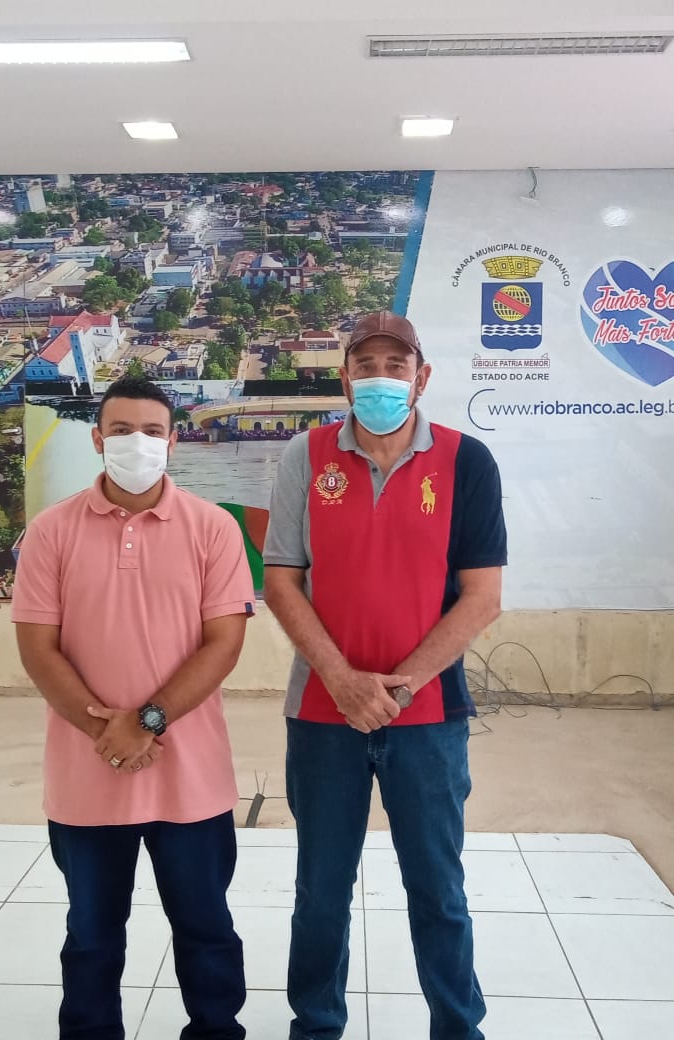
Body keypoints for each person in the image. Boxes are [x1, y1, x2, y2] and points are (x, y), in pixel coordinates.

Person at [263, 311, 507, 1040]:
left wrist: (398, 685)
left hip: (428, 717)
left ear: (420, 377)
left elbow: (482, 597)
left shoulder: (466, 461)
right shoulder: (305, 456)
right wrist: (341, 679)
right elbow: (281, 580)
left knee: (438, 890)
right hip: (322, 713)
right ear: (344, 380)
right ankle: (316, 1025)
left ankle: (457, 1028)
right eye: (364, 366)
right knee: (321, 891)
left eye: (394, 366)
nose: (379, 378)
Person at [12, 376, 255, 1040]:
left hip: (191, 780)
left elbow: (224, 643)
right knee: (92, 935)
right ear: (97, 439)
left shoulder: (213, 528)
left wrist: (145, 722)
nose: (137, 443)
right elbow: (38, 649)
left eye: (152, 431)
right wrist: (108, 733)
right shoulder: (50, 532)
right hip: (86, 779)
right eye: (121, 431)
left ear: (173, 442)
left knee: (205, 927)